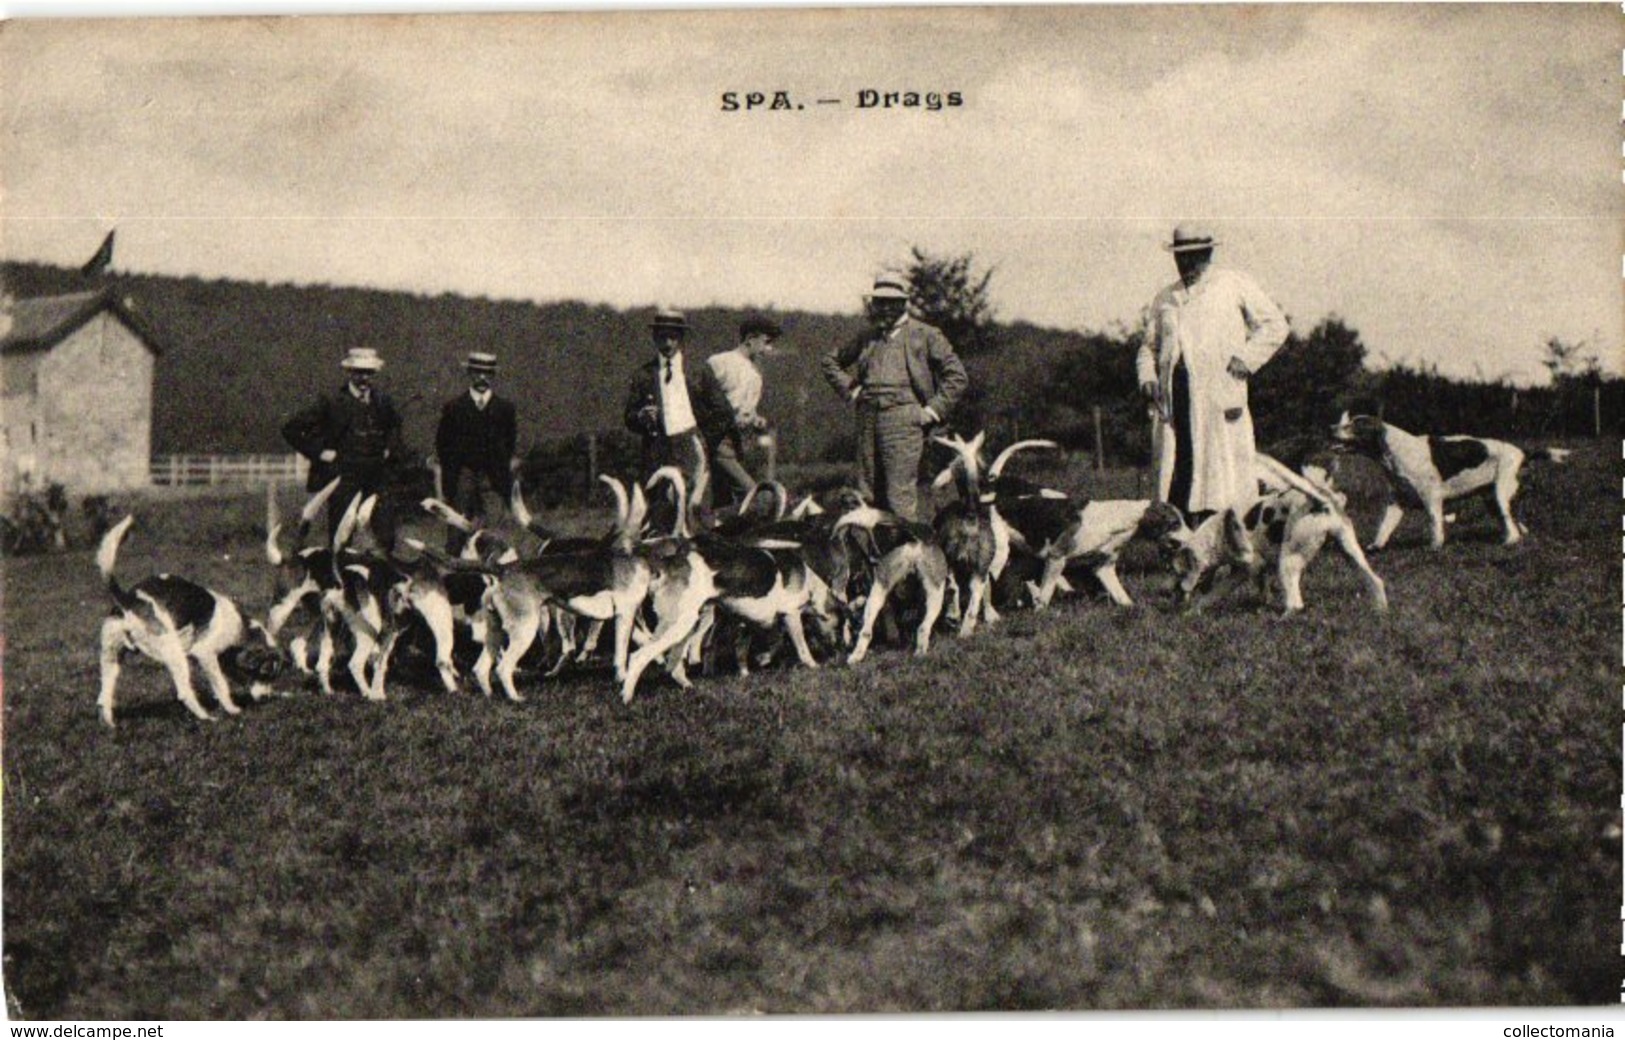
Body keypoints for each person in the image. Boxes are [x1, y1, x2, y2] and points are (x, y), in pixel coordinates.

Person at [1136, 224, 1290, 522]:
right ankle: (1181, 539)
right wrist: (1148, 378)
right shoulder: (1166, 298)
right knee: (1179, 468)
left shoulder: (1232, 284)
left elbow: (1275, 325)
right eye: (1180, 257)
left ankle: (1231, 542)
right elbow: (1148, 347)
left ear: (1207, 253)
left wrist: (1246, 358)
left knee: (1223, 472)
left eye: (1192, 256)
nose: (1186, 264)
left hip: (1218, 393)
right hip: (1175, 397)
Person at [820, 276, 968, 521]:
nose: (885, 308)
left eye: (892, 302)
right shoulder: (867, 336)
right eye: (880, 302)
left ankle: (906, 554)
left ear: (904, 304)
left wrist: (931, 411)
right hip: (867, 418)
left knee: (899, 495)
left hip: (904, 419)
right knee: (866, 492)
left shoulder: (925, 334)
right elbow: (830, 362)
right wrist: (852, 390)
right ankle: (871, 555)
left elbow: (957, 376)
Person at [281, 346, 405, 549]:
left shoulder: (383, 402)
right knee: (341, 536)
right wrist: (320, 452)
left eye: (369, 373)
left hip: (377, 476)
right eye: (359, 373)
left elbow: (395, 427)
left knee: (385, 534)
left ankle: (376, 579)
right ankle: (340, 578)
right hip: (344, 478)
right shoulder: (332, 402)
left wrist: (390, 447)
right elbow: (291, 429)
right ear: (349, 373)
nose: (364, 378)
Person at [624, 308, 707, 527]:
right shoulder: (643, 375)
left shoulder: (697, 371)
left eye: (672, 337)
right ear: (654, 338)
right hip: (657, 450)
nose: (668, 343)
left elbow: (714, 410)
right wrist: (642, 417)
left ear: (680, 339)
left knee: (690, 508)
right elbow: (629, 417)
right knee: (657, 510)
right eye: (662, 337)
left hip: (689, 447)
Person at [431, 351, 519, 553]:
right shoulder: (454, 407)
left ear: (493, 375)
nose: (482, 377)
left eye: (487, 373)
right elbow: (443, 445)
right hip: (463, 474)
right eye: (477, 372)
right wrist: (449, 480)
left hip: (494, 478)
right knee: (457, 525)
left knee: (493, 528)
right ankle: (453, 570)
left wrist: (504, 472)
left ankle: (491, 571)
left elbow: (510, 443)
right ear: (470, 374)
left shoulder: (505, 409)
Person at [694, 315, 782, 507]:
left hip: (738, 444)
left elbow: (747, 410)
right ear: (750, 339)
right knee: (752, 496)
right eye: (766, 342)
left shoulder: (756, 375)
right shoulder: (720, 362)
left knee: (724, 503)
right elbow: (701, 401)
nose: (769, 349)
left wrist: (756, 419)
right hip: (716, 442)